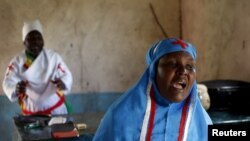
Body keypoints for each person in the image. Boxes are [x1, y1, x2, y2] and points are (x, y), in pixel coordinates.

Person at [93, 38, 212, 141]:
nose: (183, 71)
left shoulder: (201, 121)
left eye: (189, 67)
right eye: (172, 64)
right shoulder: (120, 116)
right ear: (154, 71)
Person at [2, 19, 73, 115]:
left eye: (38, 37)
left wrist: (63, 82)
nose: (35, 41)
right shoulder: (17, 62)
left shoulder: (53, 57)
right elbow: (7, 82)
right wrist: (16, 88)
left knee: (59, 130)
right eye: (30, 38)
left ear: (43, 40)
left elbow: (66, 75)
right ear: (24, 42)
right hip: (31, 114)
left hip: (56, 111)